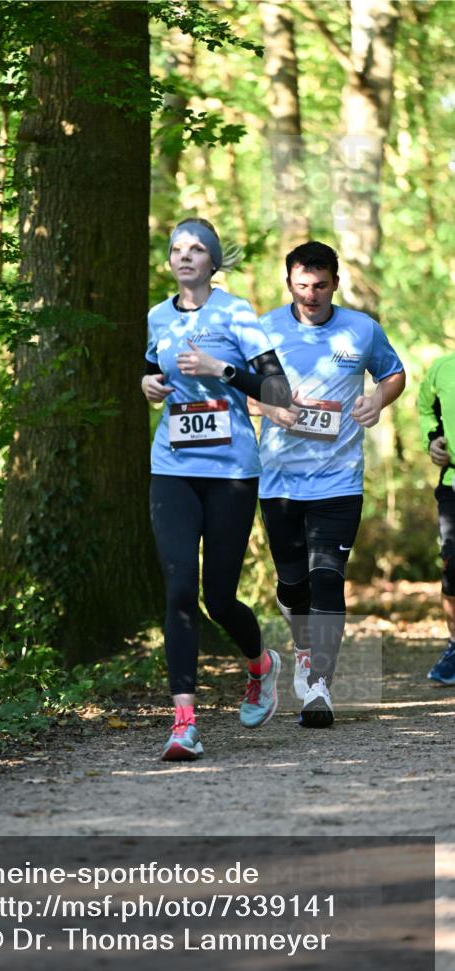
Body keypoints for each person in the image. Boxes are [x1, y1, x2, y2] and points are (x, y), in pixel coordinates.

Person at [142, 218, 292, 761]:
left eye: (197, 249)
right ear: (171, 261)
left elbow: (278, 389)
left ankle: (261, 665)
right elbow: (148, 371)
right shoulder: (158, 316)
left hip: (231, 471)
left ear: (213, 261)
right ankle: (184, 723)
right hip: (173, 467)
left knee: (219, 598)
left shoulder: (236, 313)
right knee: (179, 588)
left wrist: (221, 368)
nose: (185, 257)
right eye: (178, 249)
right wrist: (148, 384)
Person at [257, 241, 405, 727]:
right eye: (302, 286)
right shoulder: (265, 330)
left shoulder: (361, 329)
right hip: (278, 479)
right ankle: (300, 642)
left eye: (320, 285)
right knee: (294, 584)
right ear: (289, 284)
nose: (311, 295)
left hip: (339, 480)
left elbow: (394, 373)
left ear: (335, 283)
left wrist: (378, 400)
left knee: (327, 579)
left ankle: (319, 686)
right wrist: (271, 406)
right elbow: (239, 394)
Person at [418, 353, 455, 685]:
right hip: (453, 483)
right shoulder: (443, 367)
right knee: (453, 566)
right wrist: (432, 439)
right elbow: (425, 407)